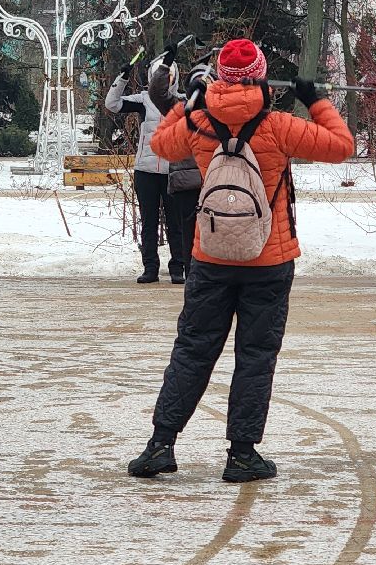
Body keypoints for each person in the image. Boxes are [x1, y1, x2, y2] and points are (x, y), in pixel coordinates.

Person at [127, 38, 354, 483]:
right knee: (255, 355)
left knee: (192, 350)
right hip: (269, 259)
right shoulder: (280, 126)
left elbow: (159, 144)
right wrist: (317, 100)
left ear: (218, 77)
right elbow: (342, 146)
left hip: (209, 257)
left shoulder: (196, 122)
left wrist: (189, 101)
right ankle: (242, 454)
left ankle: (160, 446)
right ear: (261, 75)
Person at [105, 49, 188, 284]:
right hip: (146, 171)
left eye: (170, 76)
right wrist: (121, 79)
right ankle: (150, 267)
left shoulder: (182, 102)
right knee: (148, 221)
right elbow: (112, 104)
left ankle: (177, 268)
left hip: (174, 170)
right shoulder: (143, 100)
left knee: (176, 223)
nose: (166, 80)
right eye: (162, 75)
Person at [146, 51, 210, 282]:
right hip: (189, 182)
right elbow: (157, 93)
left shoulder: (218, 110)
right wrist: (165, 66)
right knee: (188, 232)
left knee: (205, 233)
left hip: (209, 183)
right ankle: (192, 274)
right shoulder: (182, 108)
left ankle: (201, 276)